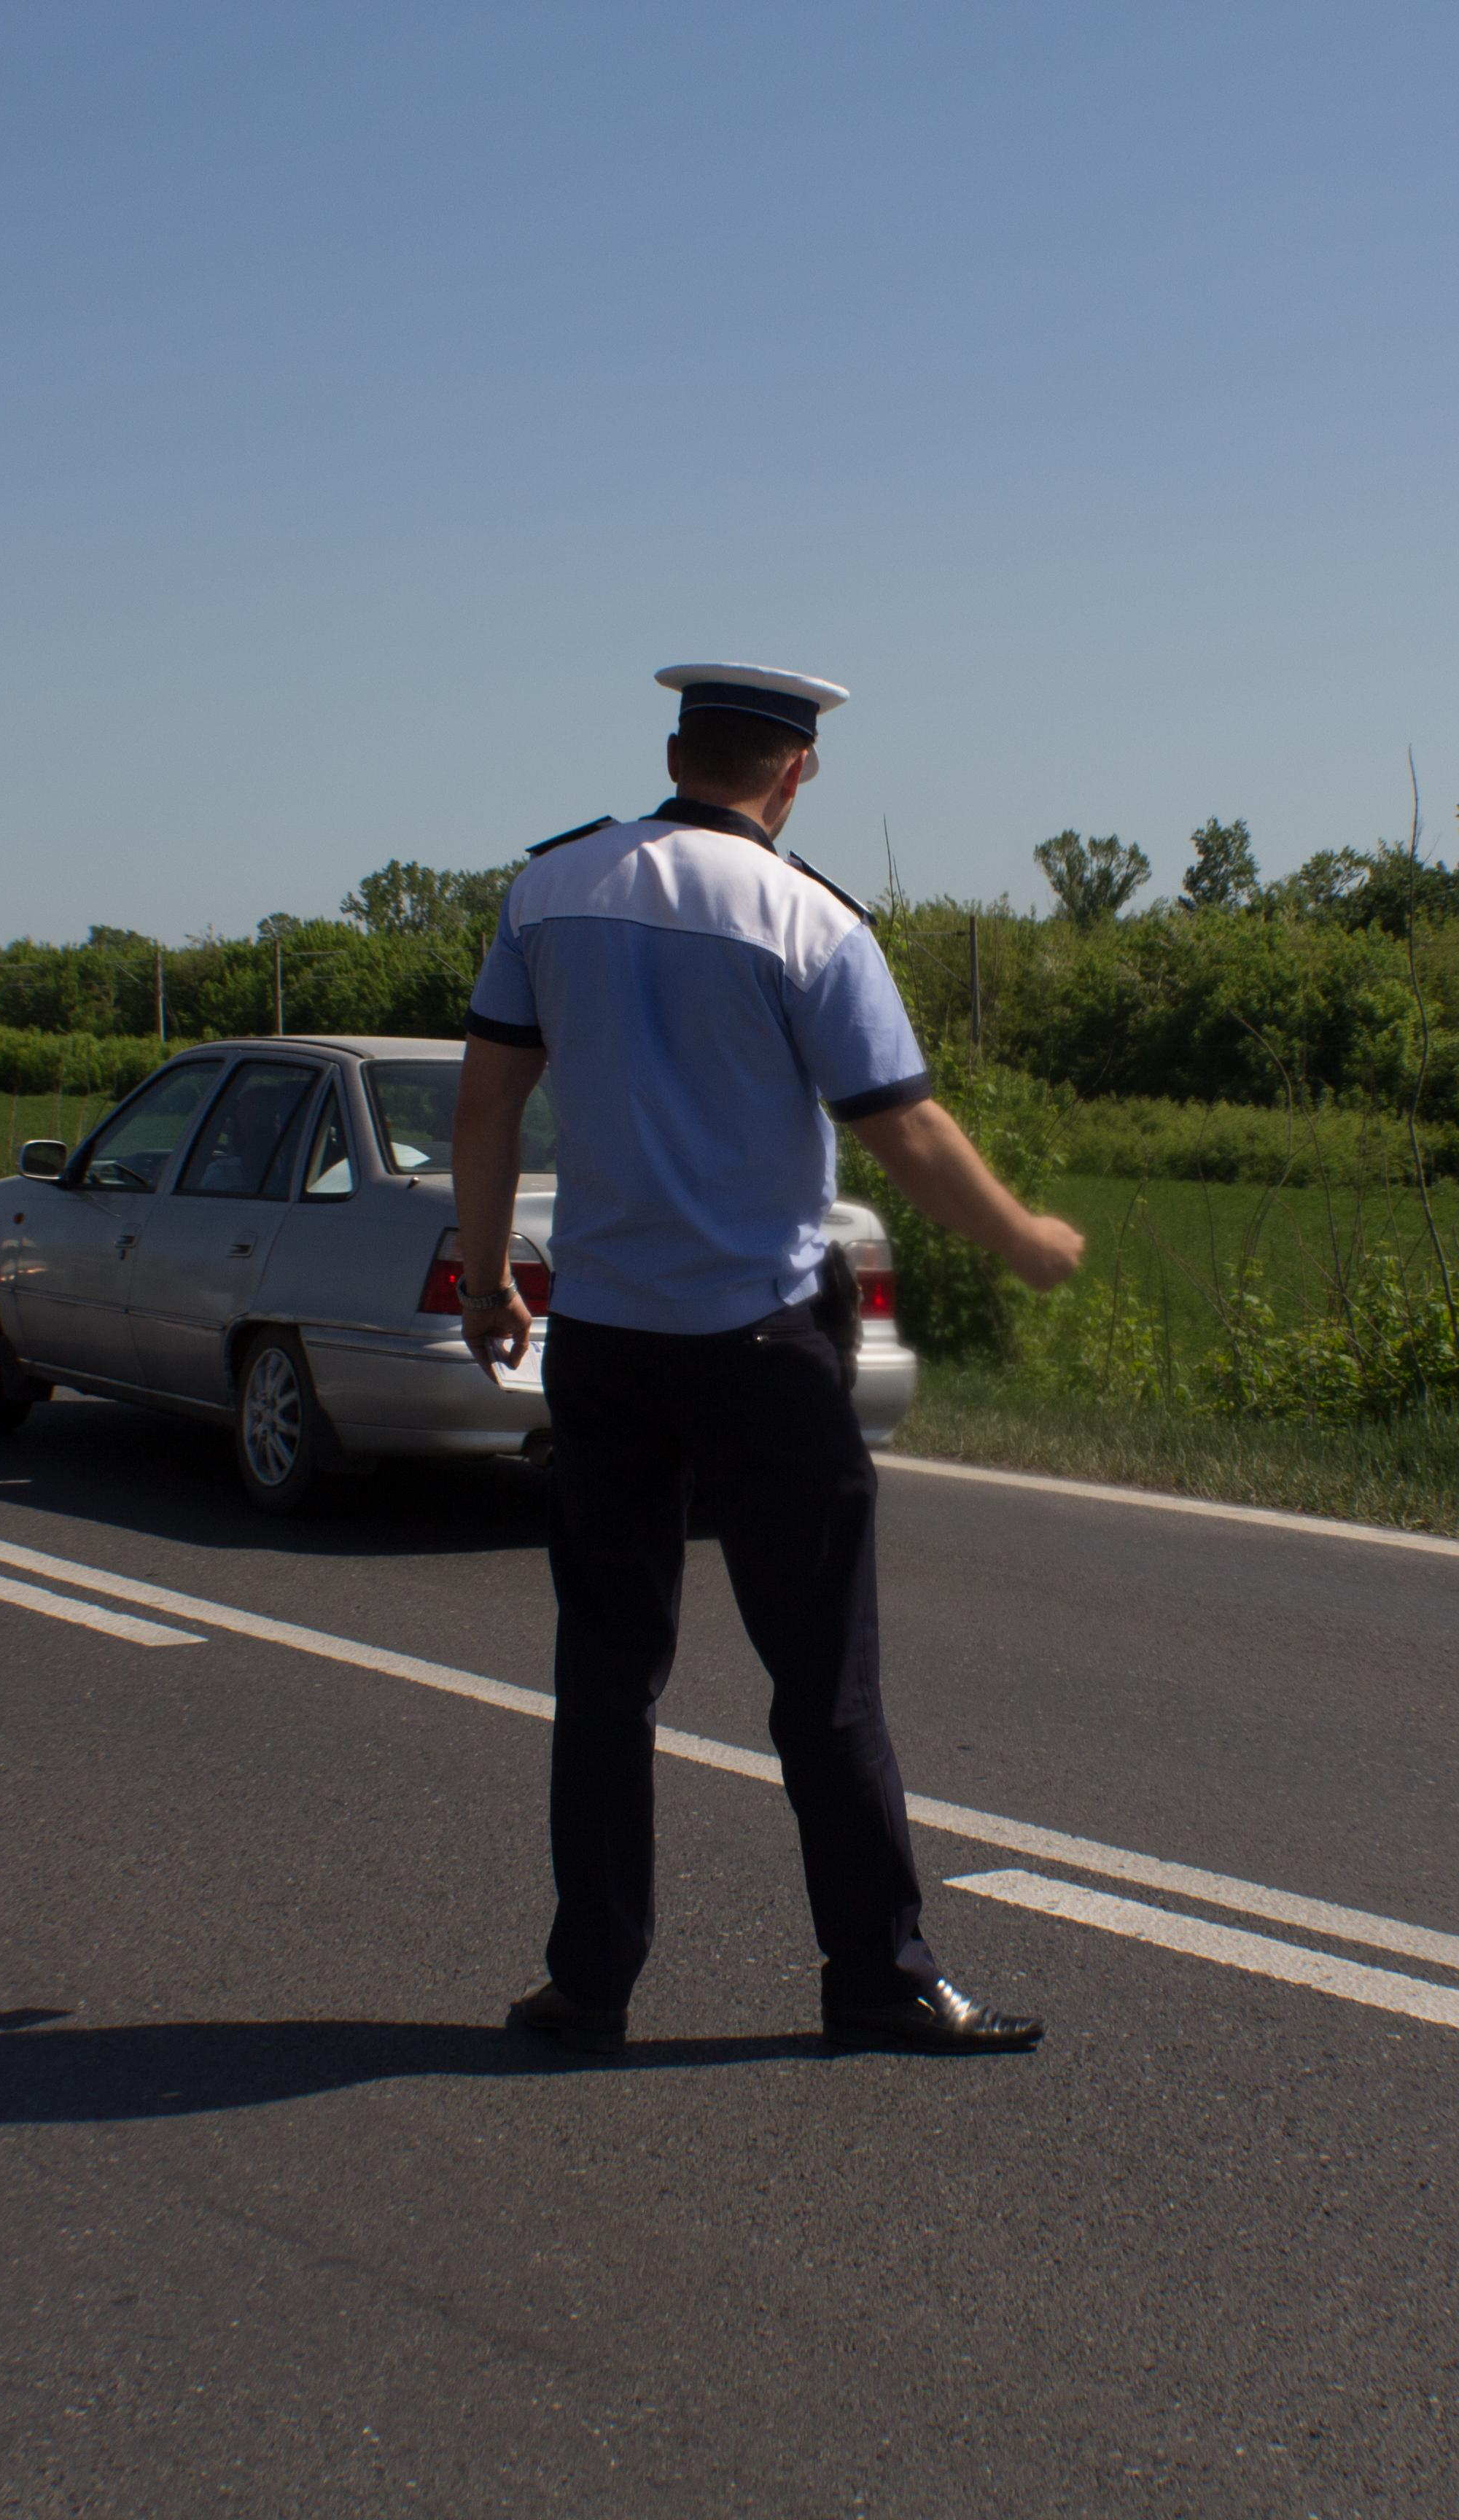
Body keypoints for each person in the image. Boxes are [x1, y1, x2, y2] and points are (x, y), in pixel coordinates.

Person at [452, 662, 1086, 2058]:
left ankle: (590, 1985)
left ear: (677, 751)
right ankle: (877, 1973)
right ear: (797, 774)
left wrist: (494, 1274)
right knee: (824, 1679)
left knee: (609, 1676)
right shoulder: (810, 921)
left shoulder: (547, 892)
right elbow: (903, 1132)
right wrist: (1024, 1237)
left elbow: (487, 1101)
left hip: (606, 1342)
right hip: (760, 1348)